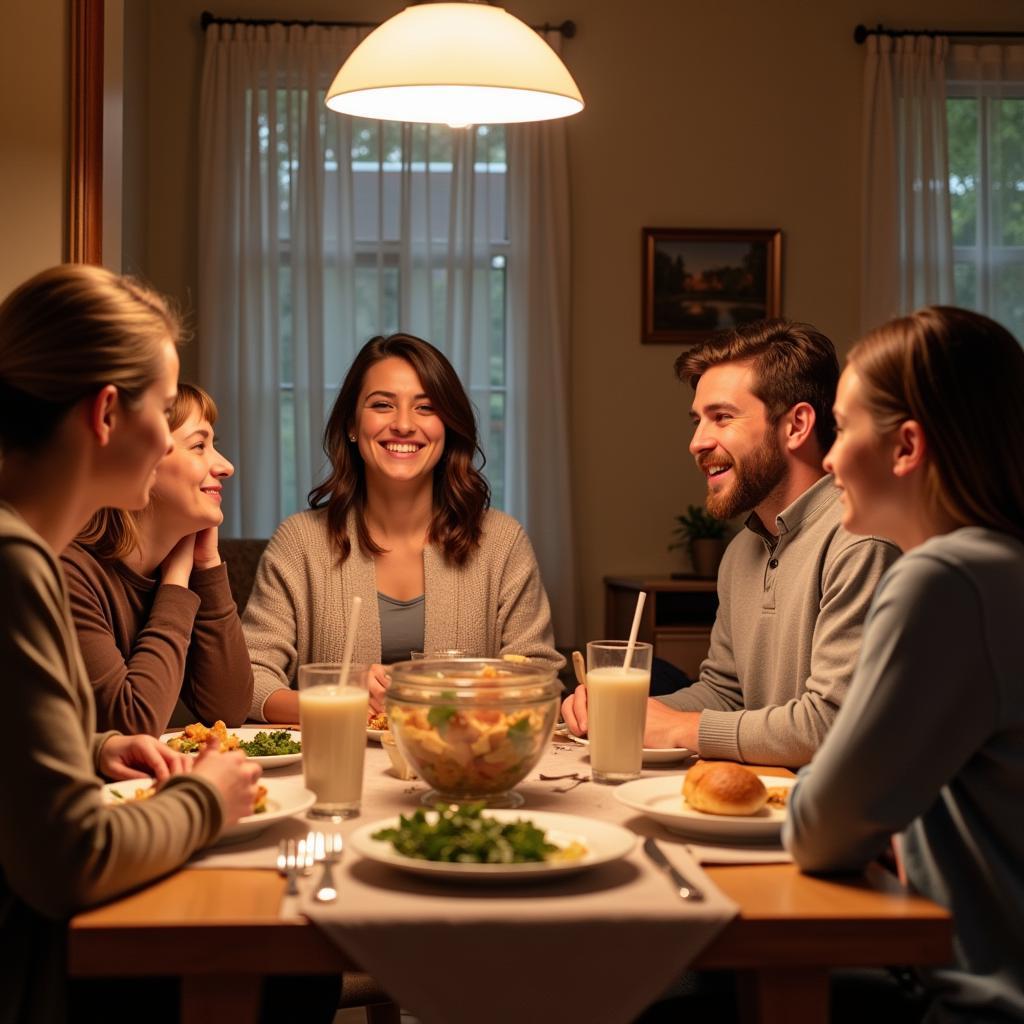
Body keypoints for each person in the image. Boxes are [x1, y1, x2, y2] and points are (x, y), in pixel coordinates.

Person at [0, 265, 262, 1023]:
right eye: (162, 408)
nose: (169, 436)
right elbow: (68, 860)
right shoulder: (19, 567)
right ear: (108, 414)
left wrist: (91, 746)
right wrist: (203, 800)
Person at [784, 307, 1024, 1021]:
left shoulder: (945, 580)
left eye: (844, 427)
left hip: (972, 1000)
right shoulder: (1001, 567)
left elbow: (820, 830)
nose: (827, 459)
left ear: (906, 446)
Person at [563, 319, 899, 767]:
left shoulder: (861, 541)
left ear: (797, 425)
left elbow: (833, 723)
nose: (697, 442)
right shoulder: (742, 551)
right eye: (698, 420)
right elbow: (725, 693)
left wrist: (679, 727)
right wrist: (622, 712)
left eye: (721, 417)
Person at [243, 332, 563, 722]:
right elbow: (250, 682)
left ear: (448, 428)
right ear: (351, 425)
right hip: (338, 770)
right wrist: (336, 700)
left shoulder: (502, 542)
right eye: (382, 405)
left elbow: (539, 676)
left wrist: (454, 697)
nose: (404, 425)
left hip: (465, 770)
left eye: (426, 408)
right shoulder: (299, 543)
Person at [61, 382, 253, 735]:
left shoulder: (174, 564)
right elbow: (133, 722)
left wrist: (207, 565)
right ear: (144, 458)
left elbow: (229, 709)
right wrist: (176, 583)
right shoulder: (69, 574)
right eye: (198, 446)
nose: (226, 466)